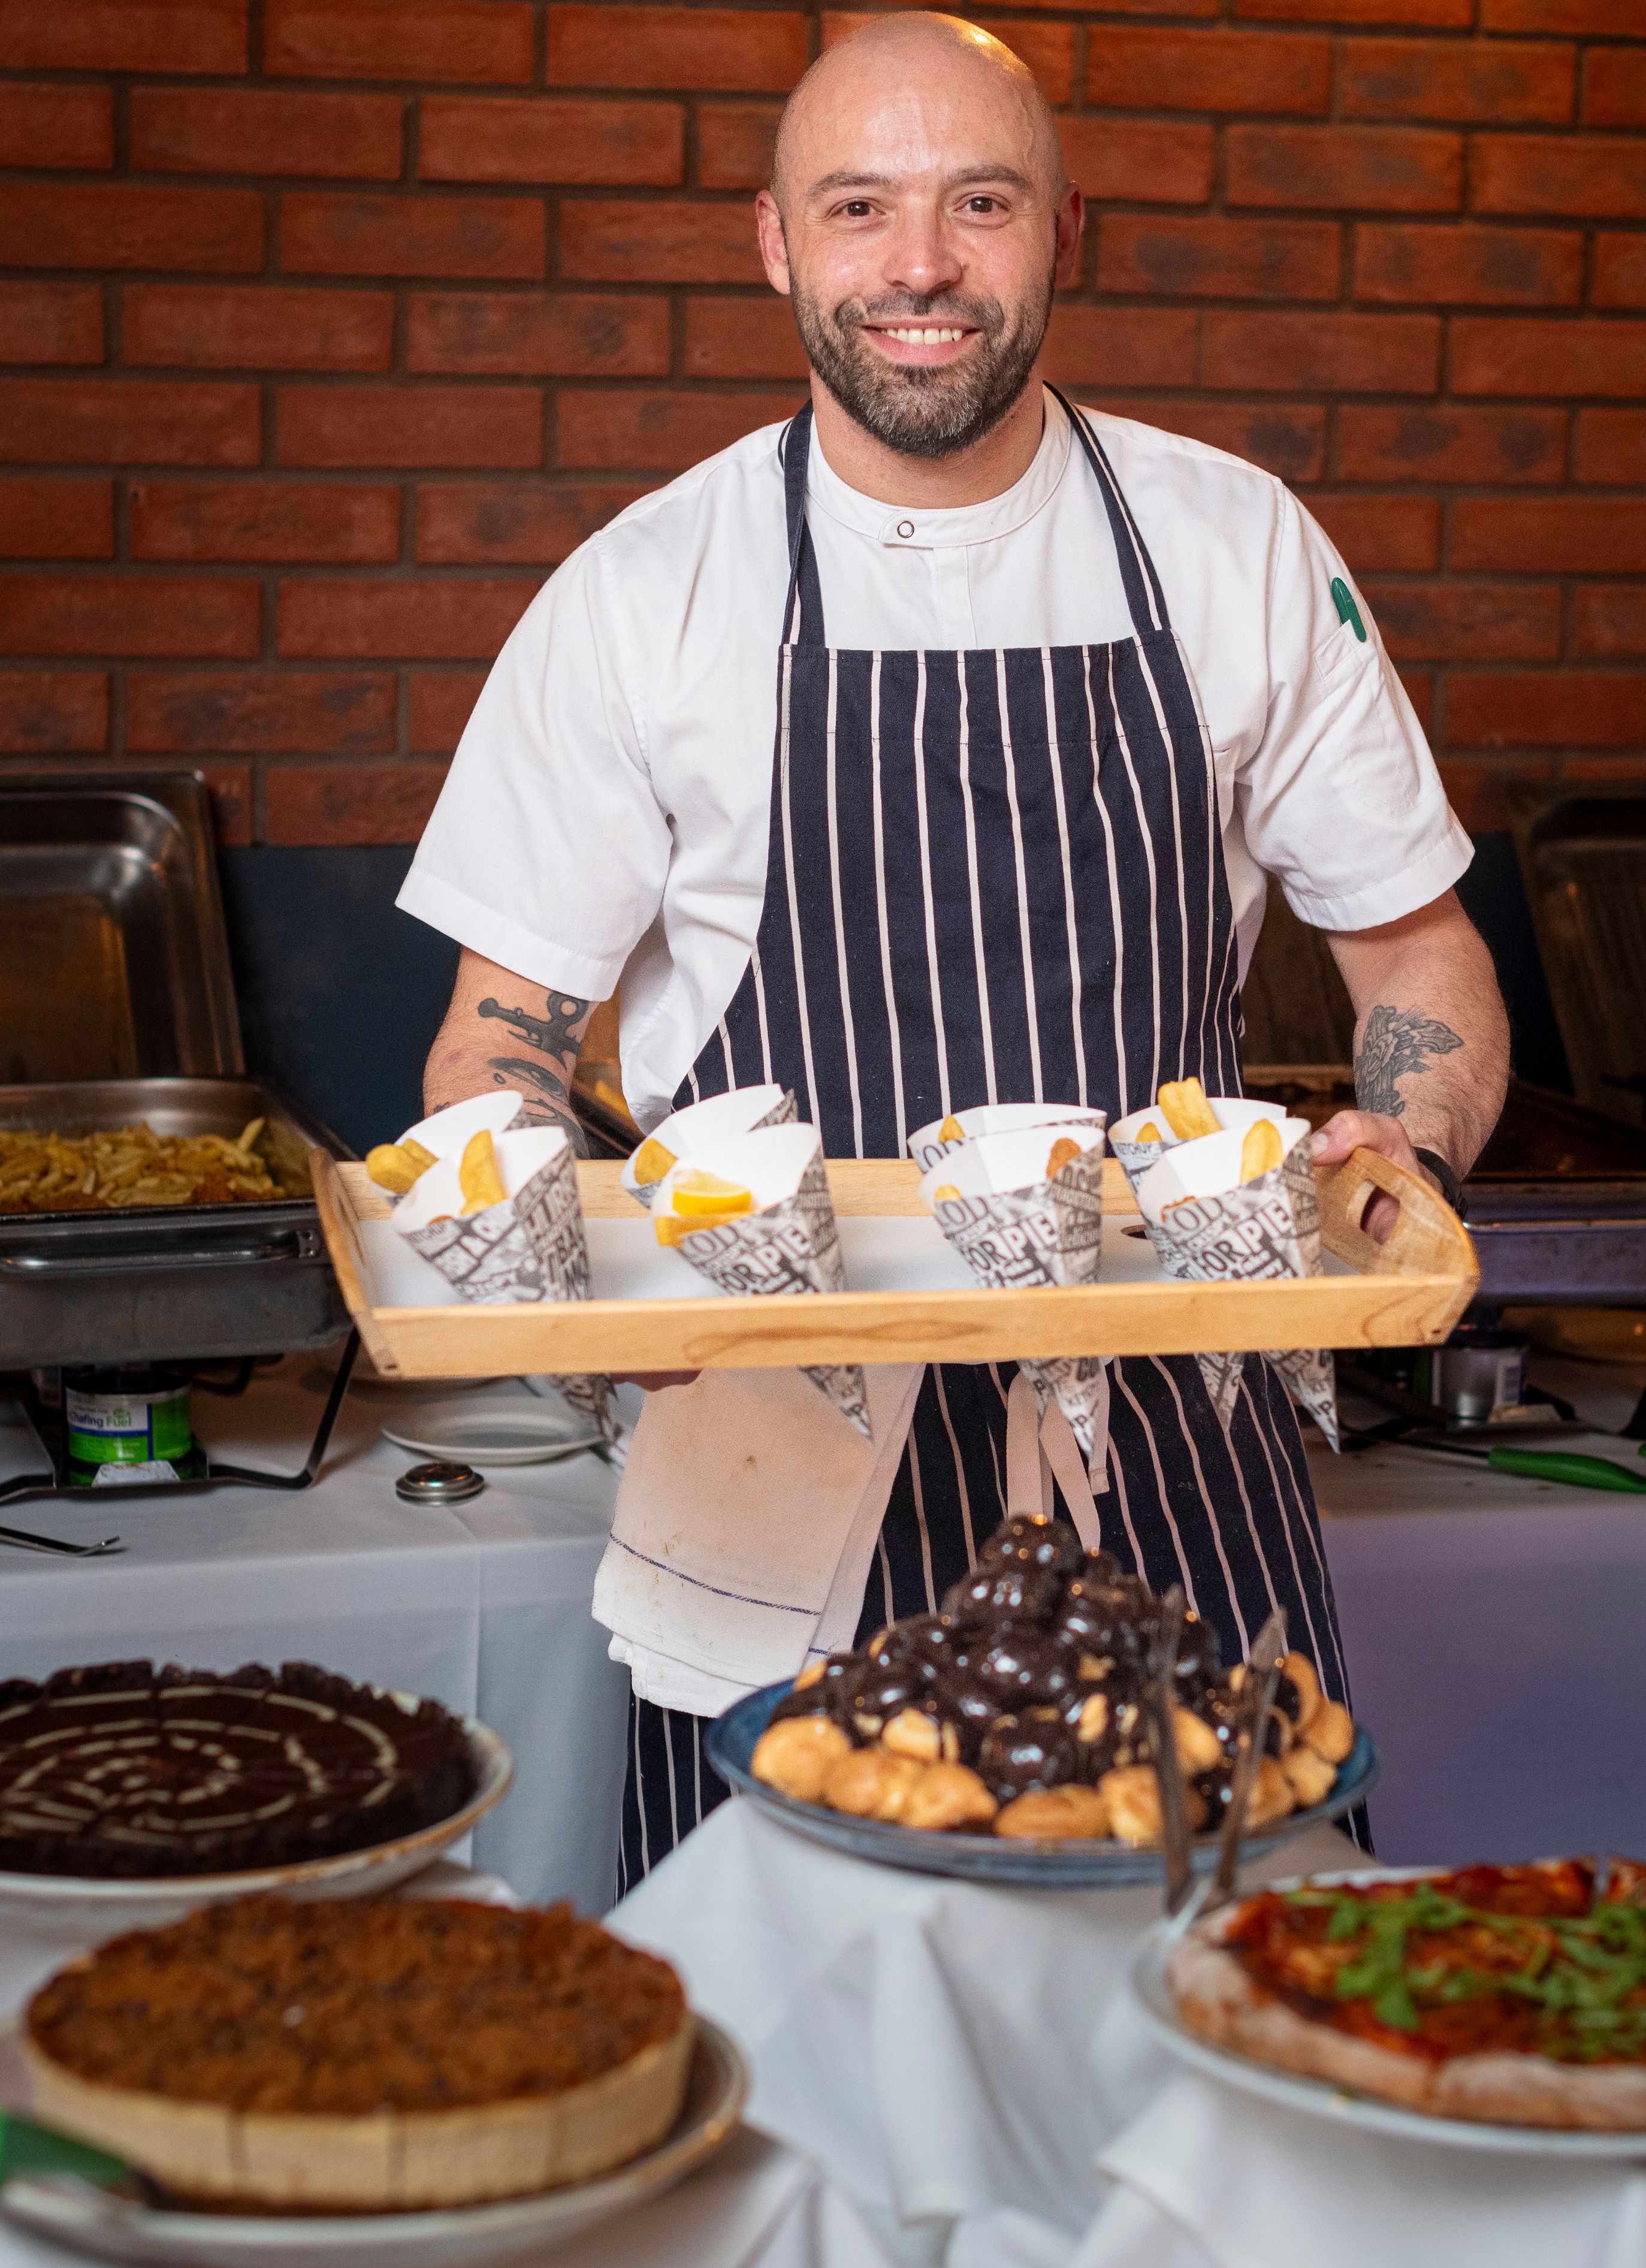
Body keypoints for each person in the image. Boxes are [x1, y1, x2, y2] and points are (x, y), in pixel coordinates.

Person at [400, 14, 1509, 1889]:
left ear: (1065, 229)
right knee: (796, 2084)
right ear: (776, 242)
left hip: (1175, 1452)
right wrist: (583, 1314)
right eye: (862, 207)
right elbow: (496, 1045)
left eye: (977, 204)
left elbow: (1423, 965)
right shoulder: (643, 593)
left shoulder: (1234, 548)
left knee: (1221, 2042)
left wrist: (1414, 1145)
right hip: (770, 1469)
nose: (920, 266)